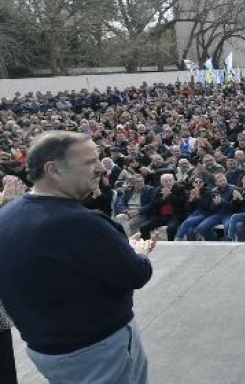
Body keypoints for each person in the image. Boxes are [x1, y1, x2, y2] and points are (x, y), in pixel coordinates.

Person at [0, 131, 155, 384]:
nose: (100, 169)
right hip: (98, 352)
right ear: (53, 170)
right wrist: (136, 251)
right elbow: (136, 273)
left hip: (47, 350)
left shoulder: (7, 215)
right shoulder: (78, 223)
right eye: (89, 162)